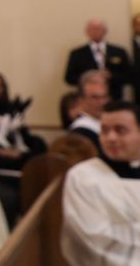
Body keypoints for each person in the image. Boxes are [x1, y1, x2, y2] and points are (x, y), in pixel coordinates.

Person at [61, 101, 140, 265]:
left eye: (120, 130)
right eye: (104, 130)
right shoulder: (82, 177)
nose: (111, 138)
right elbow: (93, 238)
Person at [65, 19, 131, 100]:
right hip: (88, 98)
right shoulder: (77, 53)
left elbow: (129, 76)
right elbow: (69, 78)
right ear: (87, 32)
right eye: (92, 29)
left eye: (99, 29)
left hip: (114, 97)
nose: (95, 32)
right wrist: (89, 78)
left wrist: (111, 76)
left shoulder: (119, 51)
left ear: (105, 31)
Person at [70, 70, 111, 156]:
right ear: (81, 100)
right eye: (95, 97)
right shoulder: (81, 131)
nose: (102, 102)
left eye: (104, 97)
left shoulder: (107, 123)